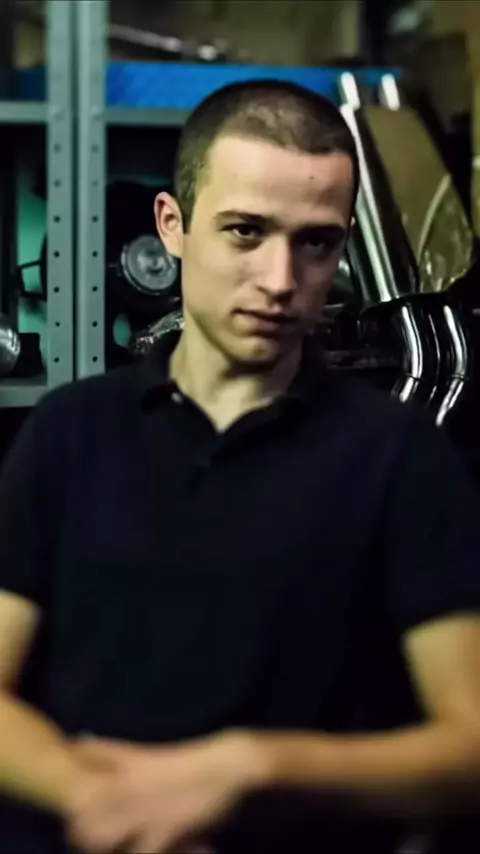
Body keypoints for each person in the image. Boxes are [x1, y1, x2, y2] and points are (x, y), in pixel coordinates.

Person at [0, 79, 480, 854]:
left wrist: (254, 765)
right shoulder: (69, 432)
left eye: (316, 242)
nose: (282, 280)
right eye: (246, 232)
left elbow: (469, 749)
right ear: (173, 225)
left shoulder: (401, 454)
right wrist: (99, 798)